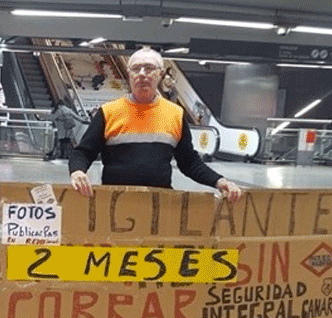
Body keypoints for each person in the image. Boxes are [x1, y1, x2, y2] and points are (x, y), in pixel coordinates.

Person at [69, 47, 242, 202]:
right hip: (116, 204)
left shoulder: (175, 114)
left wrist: (219, 181)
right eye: (136, 69)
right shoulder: (108, 112)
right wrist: (77, 171)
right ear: (129, 74)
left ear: (160, 74)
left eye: (149, 68)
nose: (142, 74)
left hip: (159, 206)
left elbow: (189, 161)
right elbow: (84, 152)